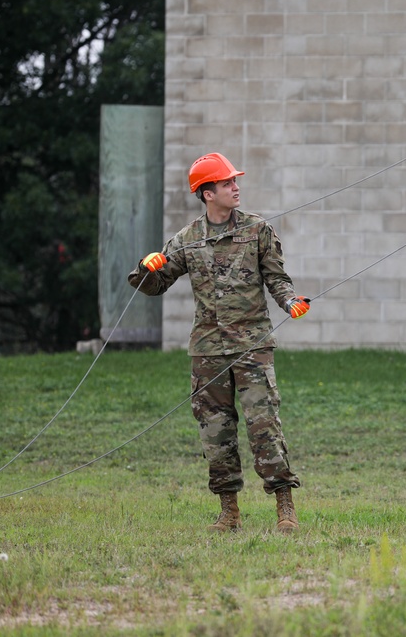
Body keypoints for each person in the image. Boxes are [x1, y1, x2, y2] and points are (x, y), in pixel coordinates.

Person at [128, 152, 310, 534]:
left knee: (264, 427)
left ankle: (285, 509)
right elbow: (156, 286)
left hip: (251, 346)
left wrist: (290, 301)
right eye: (227, 183)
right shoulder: (187, 239)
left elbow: (277, 278)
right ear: (207, 193)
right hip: (208, 350)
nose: (236, 187)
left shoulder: (258, 230)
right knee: (216, 432)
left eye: (234, 181)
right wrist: (146, 269)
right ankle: (229, 513)